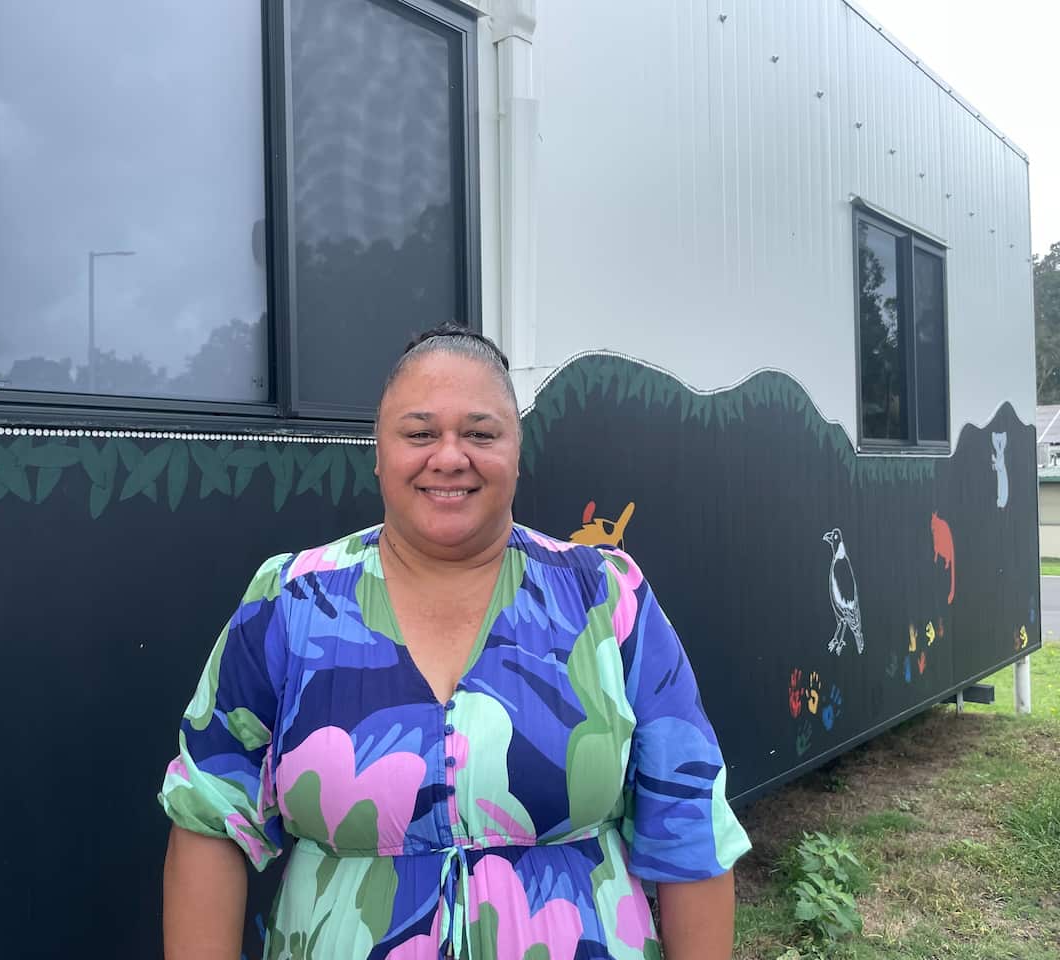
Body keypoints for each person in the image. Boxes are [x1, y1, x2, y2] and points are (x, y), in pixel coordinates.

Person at [160, 324, 750, 960]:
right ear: (380, 453)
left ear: (516, 451)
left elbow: (687, 826)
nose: (449, 457)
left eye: (480, 433)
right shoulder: (291, 601)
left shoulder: (609, 599)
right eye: (419, 433)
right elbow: (210, 822)